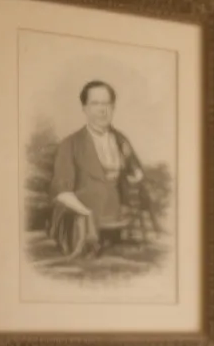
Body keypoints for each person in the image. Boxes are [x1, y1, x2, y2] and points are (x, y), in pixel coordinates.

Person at [48, 81, 148, 259]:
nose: (102, 110)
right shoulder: (70, 144)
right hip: (81, 220)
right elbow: (61, 191)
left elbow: (136, 174)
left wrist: (133, 176)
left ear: (113, 107)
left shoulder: (121, 139)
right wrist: (86, 213)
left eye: (107, 104)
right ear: (84, 108)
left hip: (117, 219)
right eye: (95, 104)